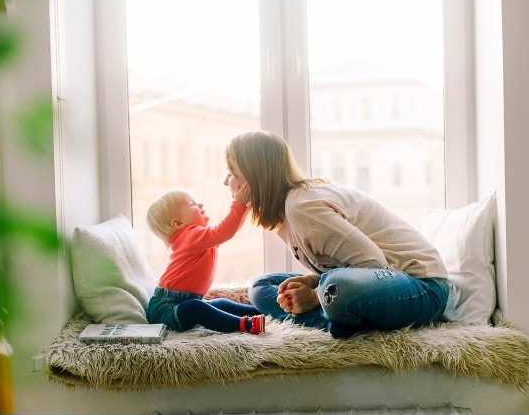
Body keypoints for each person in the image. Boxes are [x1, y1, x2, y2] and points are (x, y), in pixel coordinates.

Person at [223, 130, 461, 339]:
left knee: (335, 290)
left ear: (254, 177)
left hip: (423, 287)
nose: (227, 182)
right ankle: (336, 323)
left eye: (231, 172)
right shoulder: (286, 212)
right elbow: (340, 263)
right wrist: (311, 280)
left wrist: (315, 295)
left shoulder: (302, 208)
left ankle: (332, 316)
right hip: (379, 282)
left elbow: (374, 263)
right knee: (261, 286)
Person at [145, 183, 266, 335]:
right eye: (192, 204)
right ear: (178, 223)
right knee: (196, 308)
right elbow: (224, 231)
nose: (199, 204)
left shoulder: (197, 238)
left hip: (183, 302)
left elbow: (228, 231)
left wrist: (246, 207)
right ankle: (245, 324)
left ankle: (262, 311)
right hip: (166, 309)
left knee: (220, 303)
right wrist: (240, 204)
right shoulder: (189, 236)